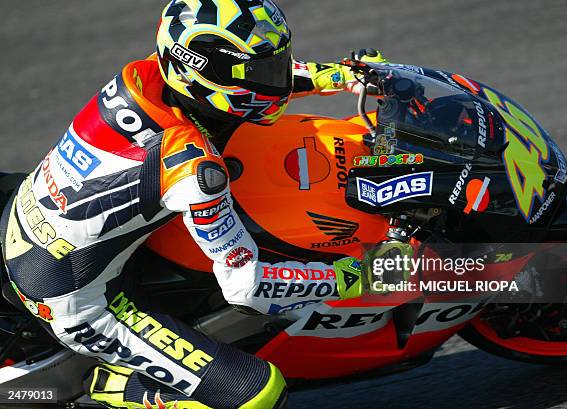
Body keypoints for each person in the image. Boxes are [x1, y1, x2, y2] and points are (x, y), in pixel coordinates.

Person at [0, 1, 401, 408]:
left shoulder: (148, 74)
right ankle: (107, 385)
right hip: (75, 298)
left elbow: (243, 83)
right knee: (256, 395)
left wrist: (335, 75)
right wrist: (357, 276)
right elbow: (248, 286)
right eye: (263, 70)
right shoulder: (193, 169)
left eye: (275, 62)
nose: (276, 76)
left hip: (35, 220)